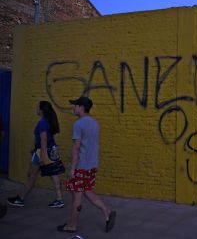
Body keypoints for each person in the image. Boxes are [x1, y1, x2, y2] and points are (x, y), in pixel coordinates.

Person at [57, 96, 116, 233]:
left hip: (81, 166)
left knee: (77, 195)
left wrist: (72, 168)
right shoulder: (95, 123)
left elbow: (76, 147)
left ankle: (71, 226)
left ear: (81, 107)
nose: (73, 107)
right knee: (86, 191)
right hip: (92, 165)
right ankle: (107, 211)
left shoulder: (78, 124)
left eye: (75, 105)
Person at [7, 101, 65, 208]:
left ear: (42, 110)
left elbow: (43, 139)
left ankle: (20, 198)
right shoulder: (48, 121)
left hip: (42, 152)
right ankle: (59, 199)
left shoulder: (42, 123)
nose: (36, 109)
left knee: (31, 175)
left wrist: (42, 155)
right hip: (52, 149)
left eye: (37, 107)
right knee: (54, 174)